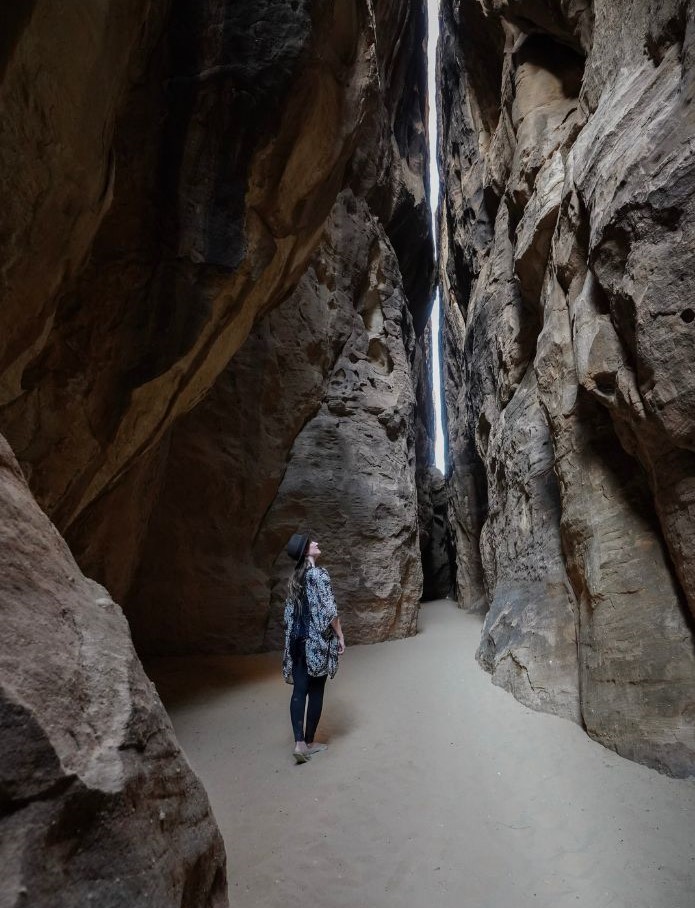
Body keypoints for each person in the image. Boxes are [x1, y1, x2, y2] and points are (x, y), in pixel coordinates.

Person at [283, 531, 345, 764]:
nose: (317, 543)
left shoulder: (295, 579)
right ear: (306, 552)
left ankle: (299, 743)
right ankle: (309, 742)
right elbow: (330, 612)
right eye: (312, 543)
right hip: (316, 642)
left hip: (296, 642)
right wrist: (340, 635)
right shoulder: (319, 575)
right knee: (316, 690)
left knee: (299, 690)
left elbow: (288, 616)